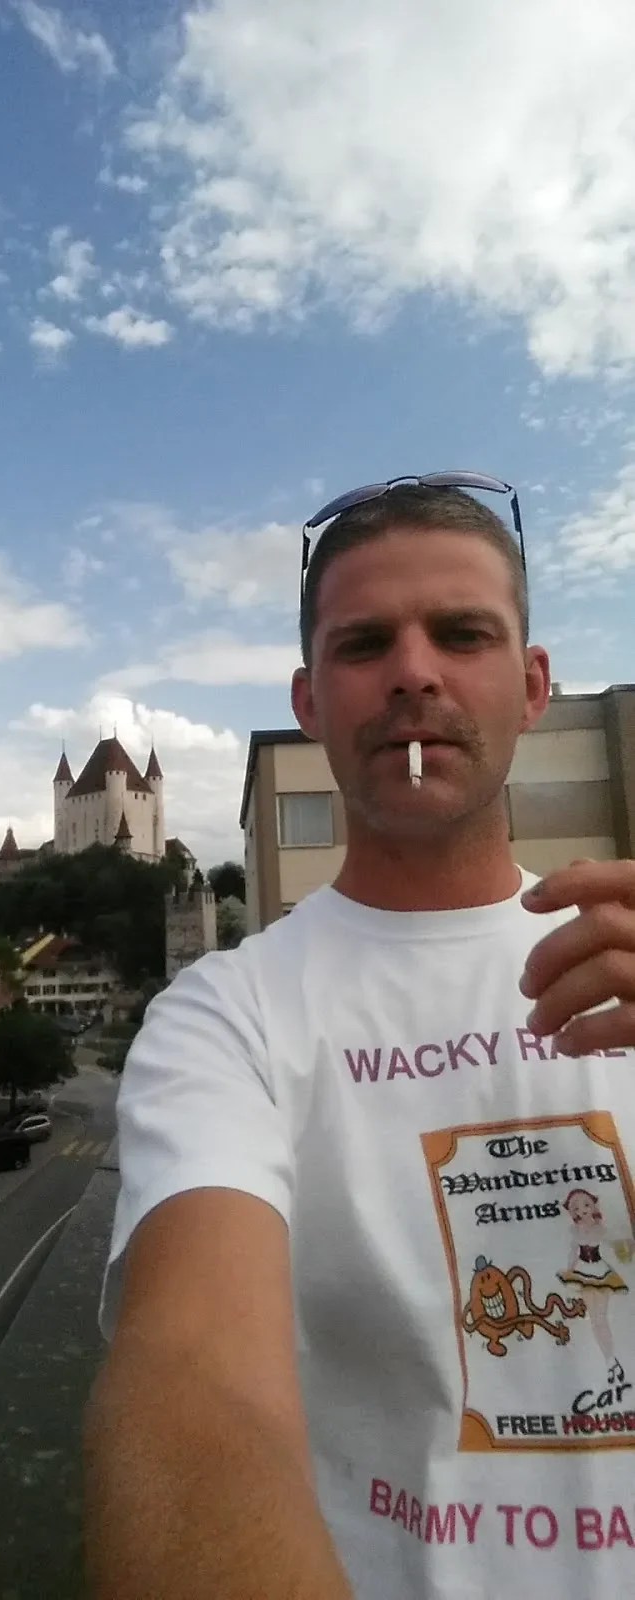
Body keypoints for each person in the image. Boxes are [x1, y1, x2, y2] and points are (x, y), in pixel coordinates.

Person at [83, 476, 635, 1599]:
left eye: (463, 634)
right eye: (365, 643)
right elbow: (192, 1382)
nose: (415, 672)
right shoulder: (228, 1016)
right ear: (311, 700)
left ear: (534, 687)